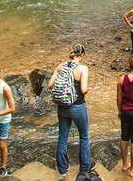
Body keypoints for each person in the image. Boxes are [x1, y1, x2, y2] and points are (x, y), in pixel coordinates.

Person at [48, 44, 92, 177]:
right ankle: (84, 170)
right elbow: (83, 90)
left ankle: (62, 169)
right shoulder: (83, 68)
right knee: (84, 137)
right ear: (82, 55)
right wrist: (89, 89)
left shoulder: (61, 66)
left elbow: (50, 85)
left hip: (62, 107)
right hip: (78, 106)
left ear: (71, 53)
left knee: (63, 136)